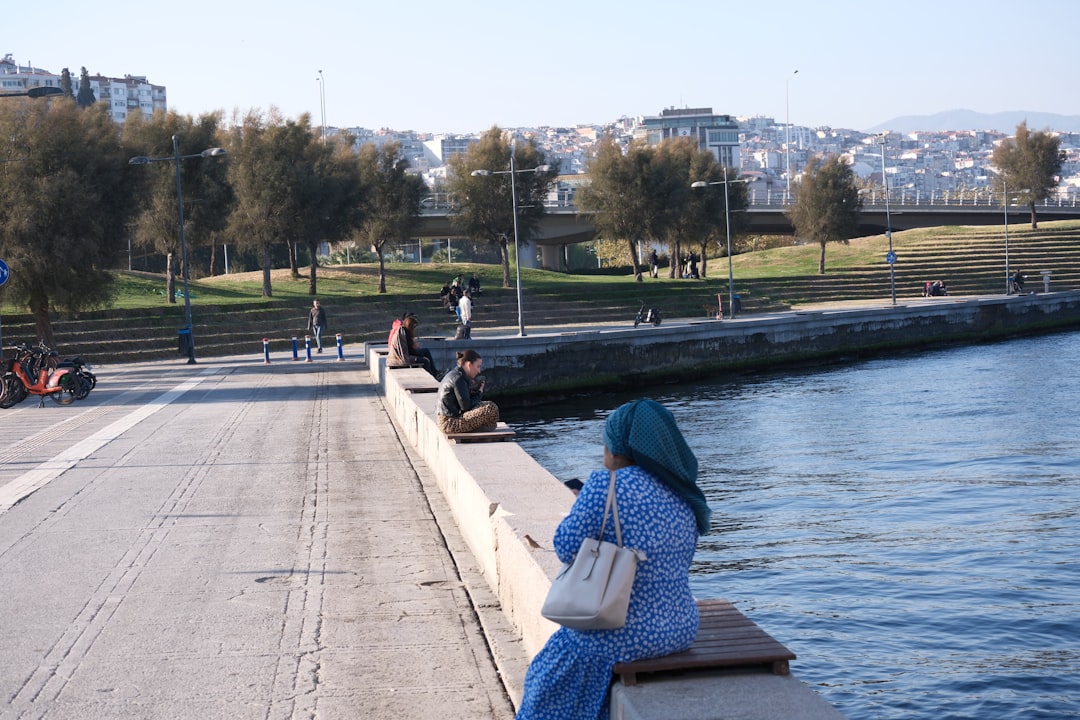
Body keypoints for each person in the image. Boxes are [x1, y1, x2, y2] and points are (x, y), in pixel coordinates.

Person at [516, 399, 710, 720]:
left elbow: (565, 547)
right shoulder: (684, 494)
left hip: (623, 631)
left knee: (548, 674)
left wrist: (585, 511)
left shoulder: (605, 486)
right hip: (680, 628)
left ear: (618, 449)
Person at [435, 349, 499, 434]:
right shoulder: (458, 379)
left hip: (448, 419)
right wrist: (479, 393)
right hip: (449, 423)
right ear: (469, 364)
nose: (479, 371)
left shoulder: (456, 374)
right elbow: (466, 407)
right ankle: (479, 428)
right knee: (490, 408)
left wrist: (474, 391)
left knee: (488, 410)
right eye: (478, 366)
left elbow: (463, 401)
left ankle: (483, 426)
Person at [387, 313, 437, 377]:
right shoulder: (405, 333)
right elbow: (409, 351)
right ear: (410, 326)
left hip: (400, 355)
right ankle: (432, 377)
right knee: (425, 360)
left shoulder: (403, 330)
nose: (414, 329)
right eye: (414, 326)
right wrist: (419, 354)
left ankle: (435, 373)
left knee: (425, 351)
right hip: (400, 358)